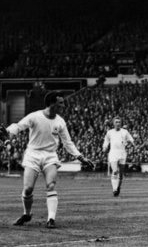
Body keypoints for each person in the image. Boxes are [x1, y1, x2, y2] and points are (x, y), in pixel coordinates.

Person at [6, 91, 93, 228]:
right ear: (52, 103)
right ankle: (26, 214)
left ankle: (51, 219)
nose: (63, 105)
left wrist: (80, 157)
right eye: (61, 103)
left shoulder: (60, 121)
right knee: (28, 189)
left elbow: (67, 142)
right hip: (33, 154)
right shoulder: (35, 116)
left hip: (50, 155)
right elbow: (18, 126)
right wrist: (9, 132)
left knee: (50, 185)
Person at [102, 116, 135, 196]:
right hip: (113, 153)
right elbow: (106, 141)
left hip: (122, 153)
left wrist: (131, 143)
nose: (118, 124)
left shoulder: (125, 132)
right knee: (115, 171)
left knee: (121, 174)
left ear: (121, 123)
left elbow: (131, 140)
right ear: (113, 123)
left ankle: (118, 187)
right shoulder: (109, 132)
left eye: (119, 122)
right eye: (116, 122)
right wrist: (104, 147)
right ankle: (114, 189)